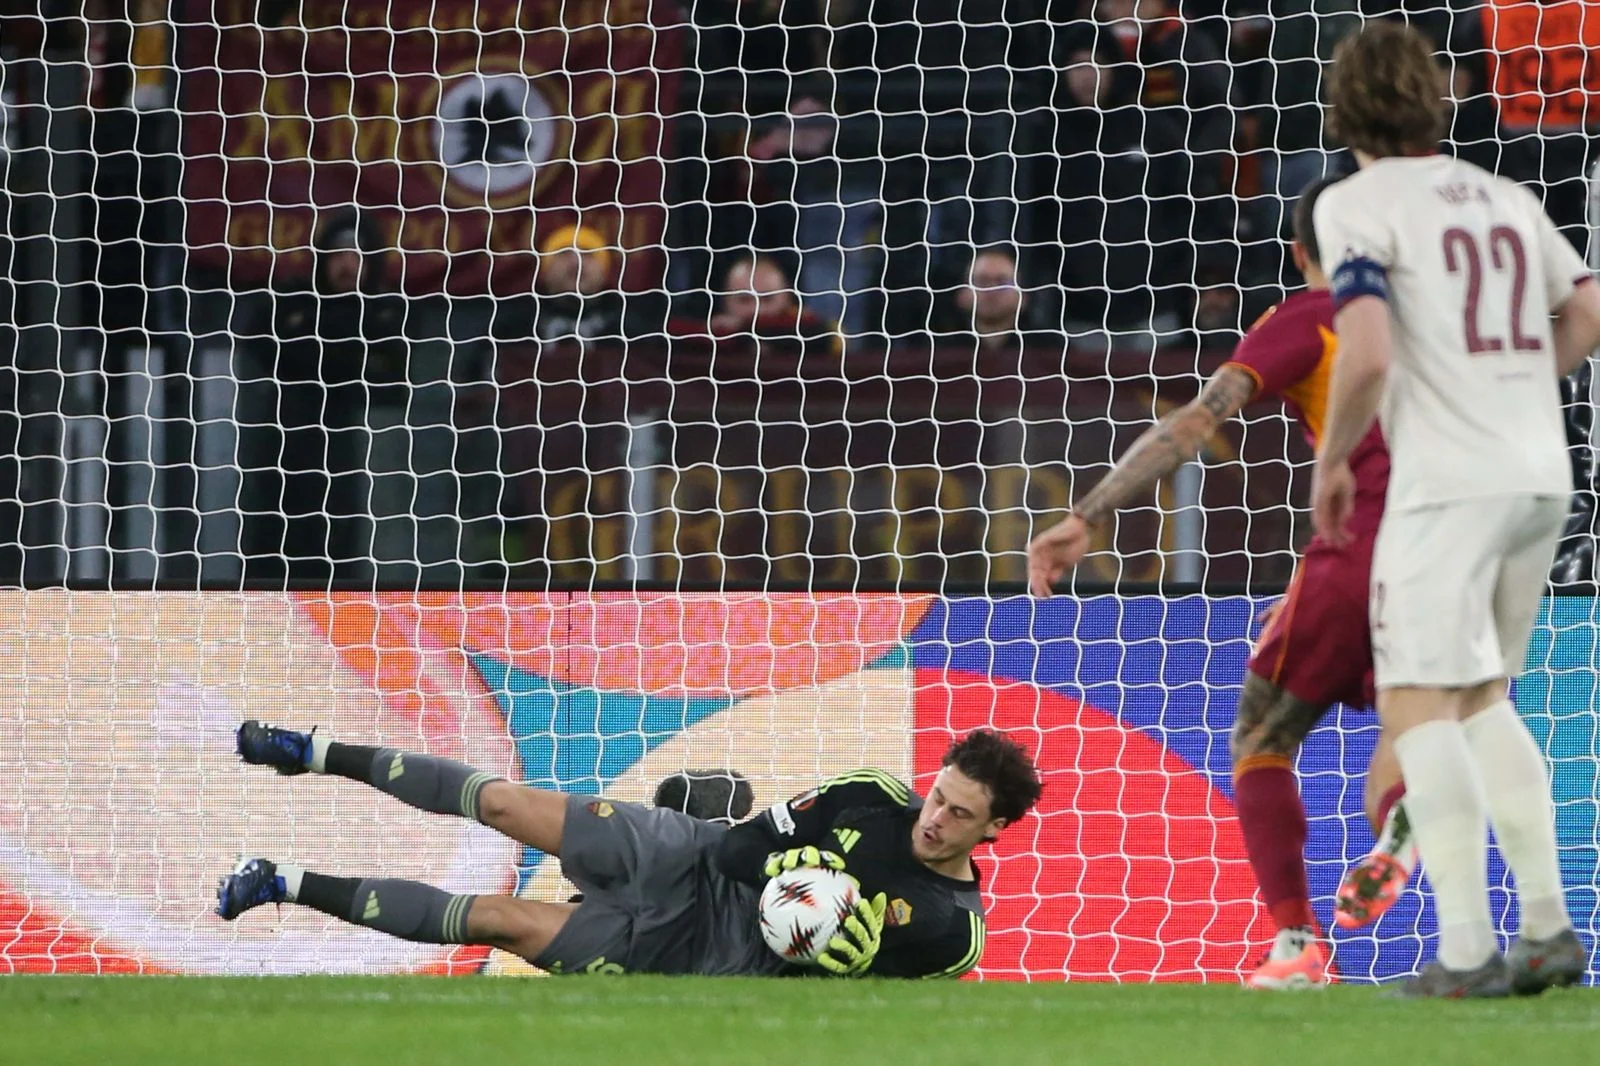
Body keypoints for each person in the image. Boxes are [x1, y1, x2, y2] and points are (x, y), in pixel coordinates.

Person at [1027, 175, 1413, 990]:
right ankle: (1404, 821)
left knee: (1262, 737)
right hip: (1458, 551)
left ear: (1299, 251)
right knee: (1417, 721)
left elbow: (1200, 420)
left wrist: (1088, 515)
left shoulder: (1314, 316)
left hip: (1361, 544)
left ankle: (1297, 942)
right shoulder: (1434, 315)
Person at [1309, 20, 1600, 998]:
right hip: (1540, 471)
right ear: (1438, 99)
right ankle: (1549, 929)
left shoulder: (1354, 203)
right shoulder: (1505, 194)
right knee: (1479, 696)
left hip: (1449, 481)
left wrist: (1335, 460)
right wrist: (1516, 392)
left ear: (1343, 108)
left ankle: (1470, 952)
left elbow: (1367, 350)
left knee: (1418, 702)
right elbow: (1588, 310)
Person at [214, 721, 1042, 978]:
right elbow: (741, 850)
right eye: (938, 795)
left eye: (958, 814)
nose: (934, 818)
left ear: (994, 828)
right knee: (502, 803)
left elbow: (862, 1025)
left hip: (708, 956)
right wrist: (788, 869)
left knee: (499, 920)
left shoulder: (951, 933)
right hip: (688, 858)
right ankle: (310, 753)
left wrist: (851, 967)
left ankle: (283, 882)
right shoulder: (872, 796)